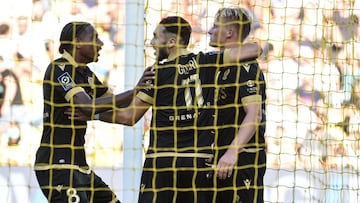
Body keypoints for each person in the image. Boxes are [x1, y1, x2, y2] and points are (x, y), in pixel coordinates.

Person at [69, 16, 261, 202]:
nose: (151, 42)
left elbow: (128, 117)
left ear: (171, 42)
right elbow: (254, 49)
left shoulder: (157, 72)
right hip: (199, 162)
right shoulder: (207, 62)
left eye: (155, 37)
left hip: (162, 162)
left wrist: (93, 114)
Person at [33, 21, 153, 203]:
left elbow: (122, 112)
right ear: (77, 42)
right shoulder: (58, 69)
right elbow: (86, 106)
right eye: (94, 38)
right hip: (56, 165)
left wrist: (150, 90)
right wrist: (134, 91)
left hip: (80, 166)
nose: (101, 44)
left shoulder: (87, 74)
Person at [208, 7, 267, 203]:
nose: (210, 31)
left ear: (229, 32)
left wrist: (232, 152)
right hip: (220, 156)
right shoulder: (217, 65)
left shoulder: (246, 66)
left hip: (241, 158)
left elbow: (254, 114)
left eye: (215, 26)